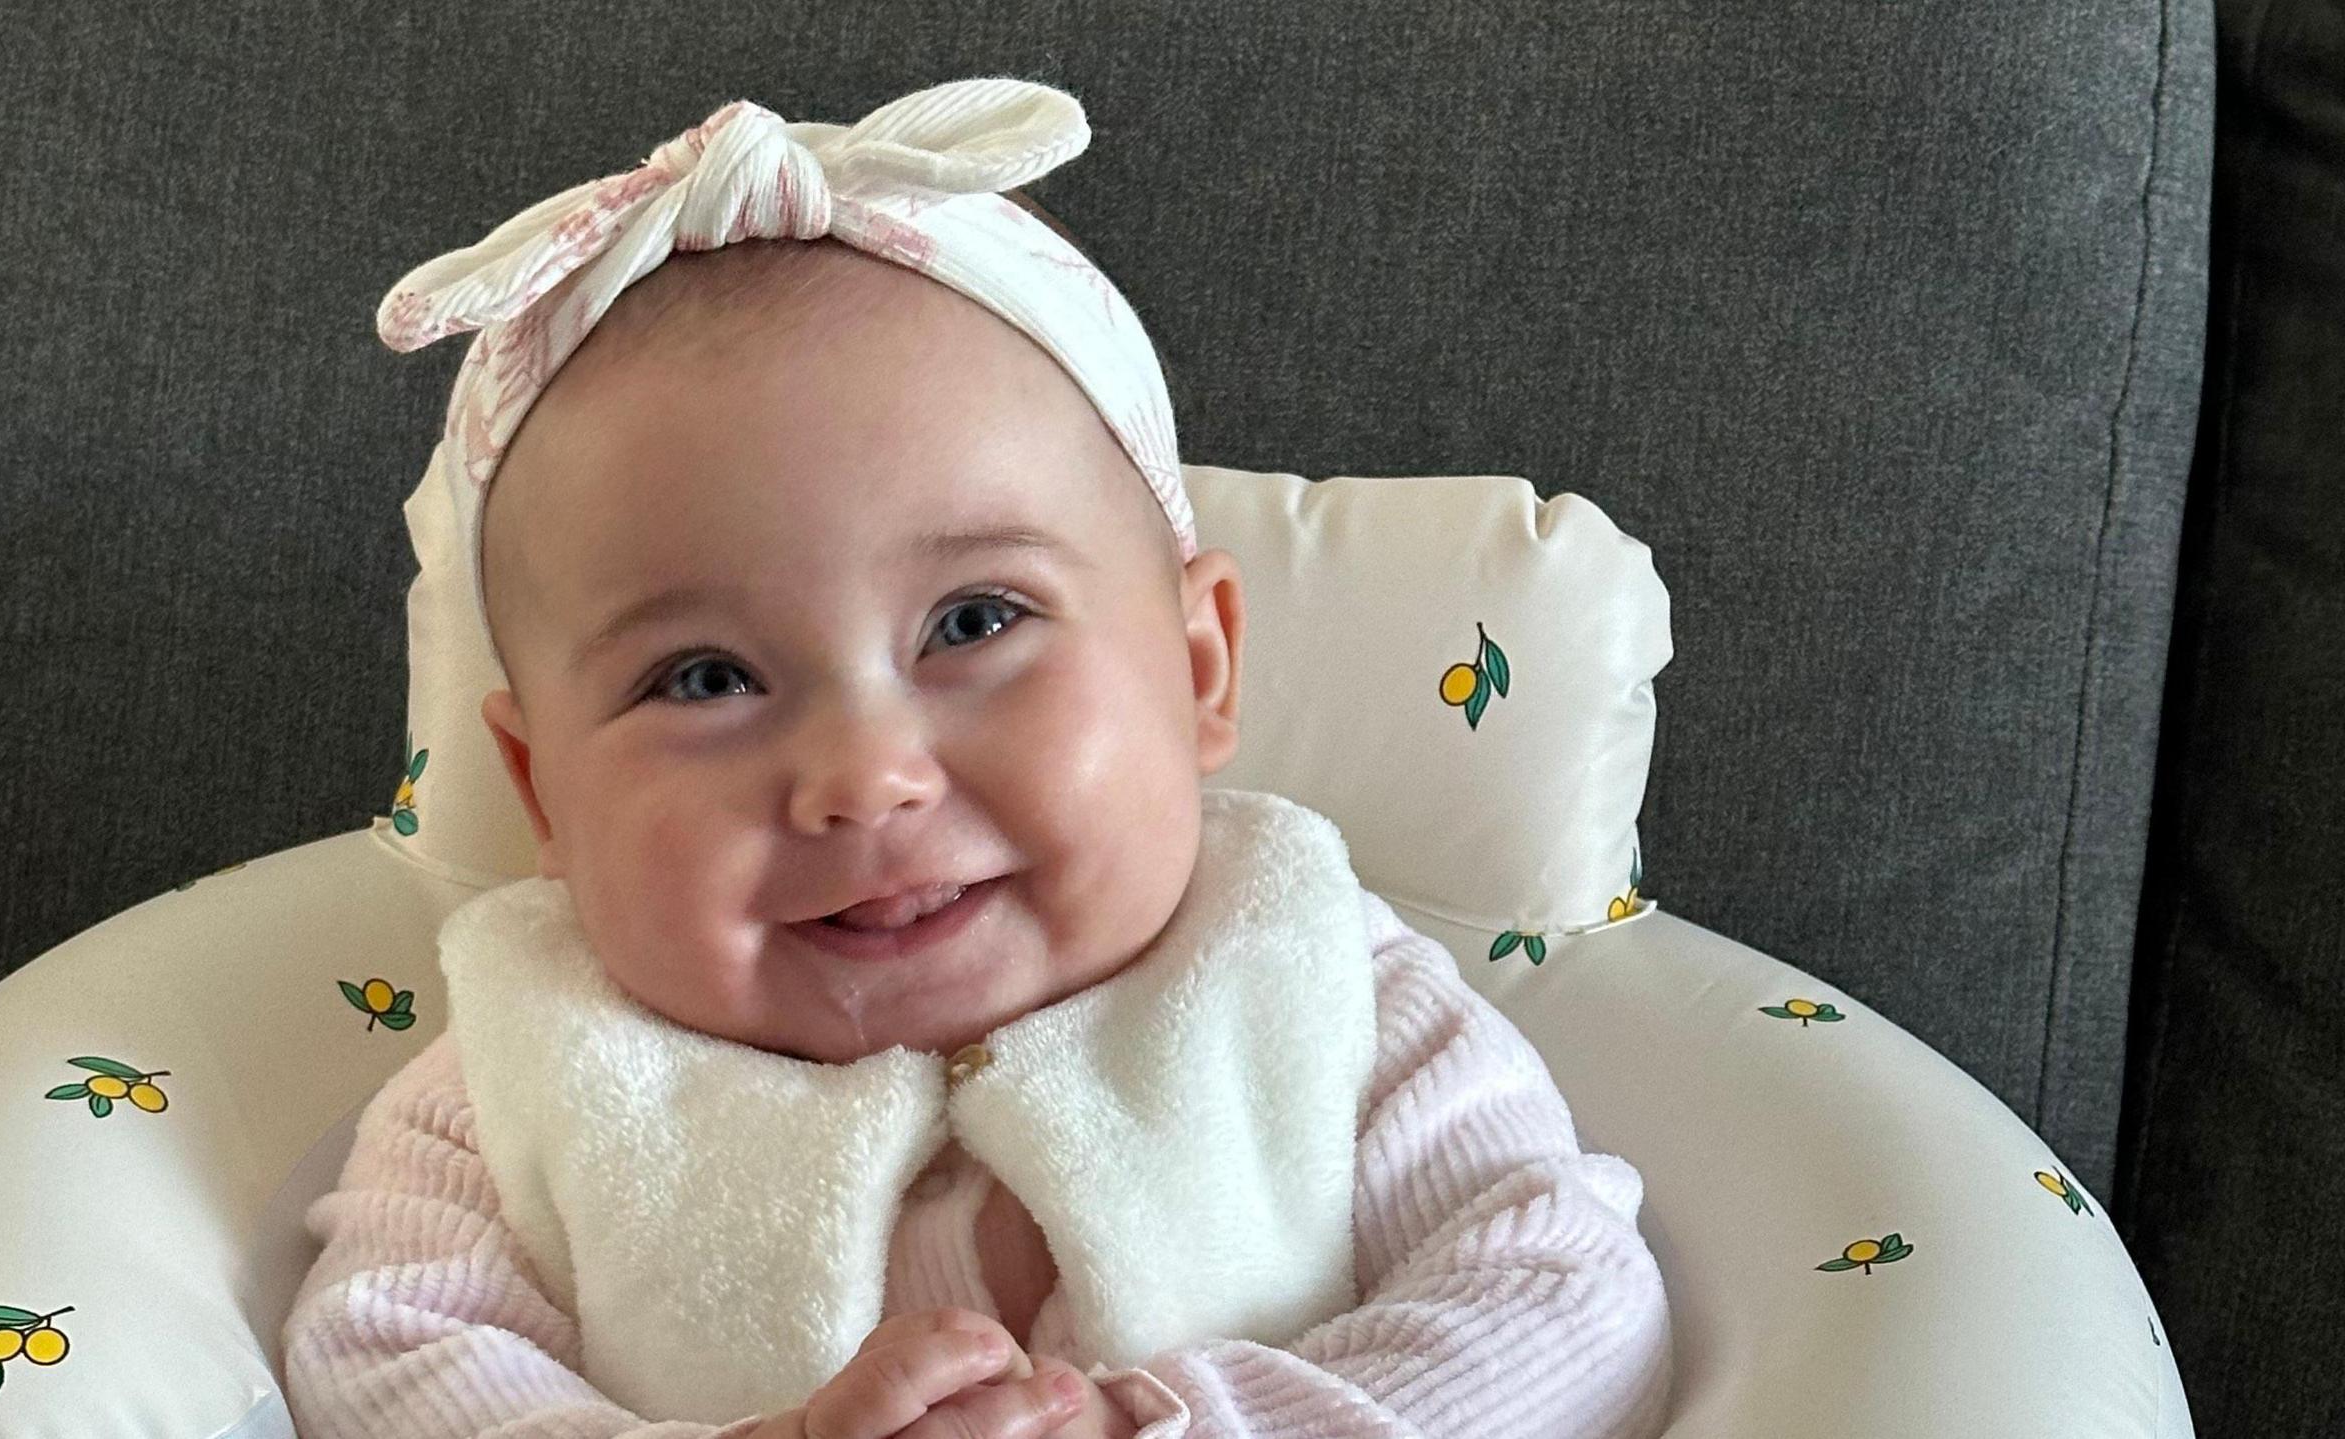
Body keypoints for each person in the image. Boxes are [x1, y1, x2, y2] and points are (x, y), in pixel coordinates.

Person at [280, 76, 1672, 1439]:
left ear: (1198, 671)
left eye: (974, 621)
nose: (863, 775)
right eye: (703, 678)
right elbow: (383, 1364)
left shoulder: (1321, 981)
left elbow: (1568, 1302)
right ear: (545, 796)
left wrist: (1169, 1426)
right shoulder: (524, 1067)